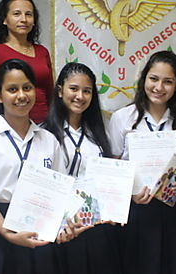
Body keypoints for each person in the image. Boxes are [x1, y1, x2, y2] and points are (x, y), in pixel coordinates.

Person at [106, 50, 176, 274]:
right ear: (144, 79)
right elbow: (113, 172)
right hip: (137, 212)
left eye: (168, 81)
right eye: (154, 79)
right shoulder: (123, 118)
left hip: (175, 212)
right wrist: (130, 193)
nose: (159, 87)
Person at [0, 59, 65, 274]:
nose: (21, 96)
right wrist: (7, 233)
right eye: (12, 89)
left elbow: (60, 191)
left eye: (27, 88)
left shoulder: (48, 140)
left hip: (39, 231)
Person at [42, 62, 122, 274]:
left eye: (86, 91)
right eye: (74, 89)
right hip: (62, 229)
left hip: (96, 228)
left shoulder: (97, 133)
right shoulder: (44, 134)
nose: (80, 96)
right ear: (60, 91)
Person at [0, 0, 53, 125]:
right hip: (11, 127)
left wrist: (55, 125)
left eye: (29, 14)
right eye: (17, 14)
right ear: (4, 19)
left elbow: (50, 94)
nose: (24, 19)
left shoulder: (42, 51)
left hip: (46, 126)